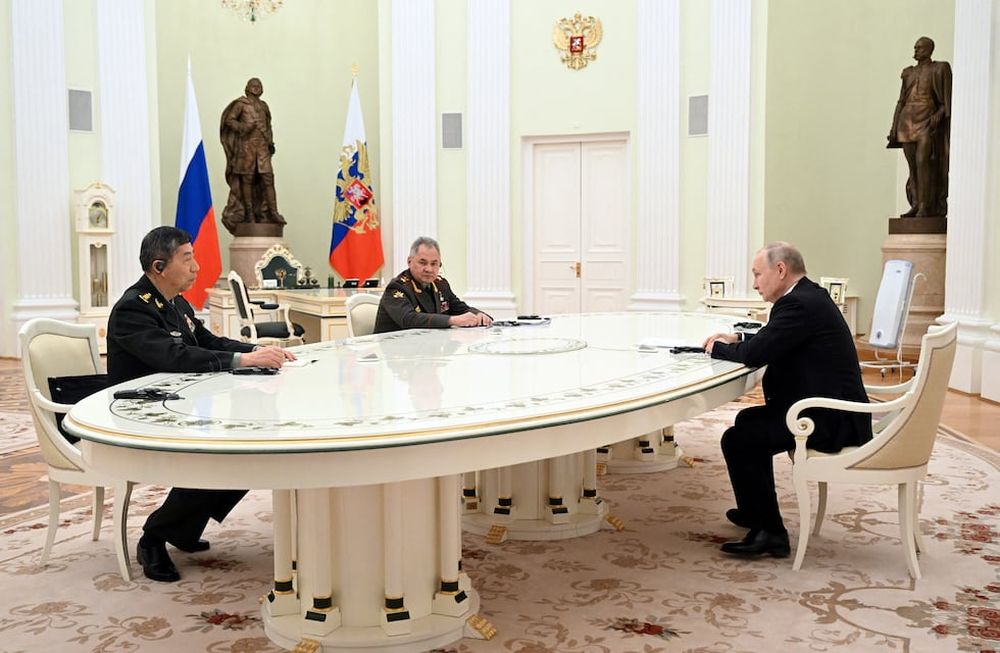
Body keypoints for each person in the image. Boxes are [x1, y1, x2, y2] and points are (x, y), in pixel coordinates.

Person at [107, 226, 296, 582]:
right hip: (138, 415)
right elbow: (174, 356)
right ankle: (154, 538)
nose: (197, 266)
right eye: (188, 258)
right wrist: (245, 363)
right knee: (223, 451)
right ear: (159, 266)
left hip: (176, 404)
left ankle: (180, 528)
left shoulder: (175, 302)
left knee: (249, 445)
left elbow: (208, 340)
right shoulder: (134, 308)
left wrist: (255, 351)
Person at [702, 242, 872, 558]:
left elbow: (757, 354)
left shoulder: (799, 304)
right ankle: (755, 512)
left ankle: (772, 534)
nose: (754, 283)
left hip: (829, 419)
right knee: (747, 421)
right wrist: (737, 338)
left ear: (780, 270)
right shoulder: (807, 297)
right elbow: (776, 338)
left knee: (740, 439)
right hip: (825, 408)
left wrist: (716, 349)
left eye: (757, 274)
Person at [887, 36, 951, 218]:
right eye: (915, 47)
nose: (915, 51)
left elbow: (946, 101)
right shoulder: (908, 73)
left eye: (919, 48)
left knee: (923, 161)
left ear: (929, 50)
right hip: (907, 120)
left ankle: (926, 205)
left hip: (926, 119)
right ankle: (915, 204)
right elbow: (901, 100)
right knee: (912, 165)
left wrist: (939, 115)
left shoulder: (939, 69)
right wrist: (894, 126)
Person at [373, 236, 493, 333]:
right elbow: (409, 319)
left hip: (426, 350)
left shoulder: (441, 284)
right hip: (395, 353)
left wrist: (478, 315)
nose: (429, 269)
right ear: (409, 262)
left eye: (434, 264)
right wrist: (453, 320)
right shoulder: (397, 287)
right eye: (423, 263)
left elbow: (460, 308)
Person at [220, 77, 285, 234]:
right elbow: (229, 121)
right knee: (247, 179)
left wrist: (270, 142)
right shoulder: (241, 104)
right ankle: (248, 213)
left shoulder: (263, 106)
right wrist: (243, 127)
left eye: (259, 86)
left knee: (268, 178)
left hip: (262, 149)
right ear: (247, 88)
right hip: (246, 148)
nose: (256, 88)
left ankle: (272, 212)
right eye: (253, 85)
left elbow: (268, 126)